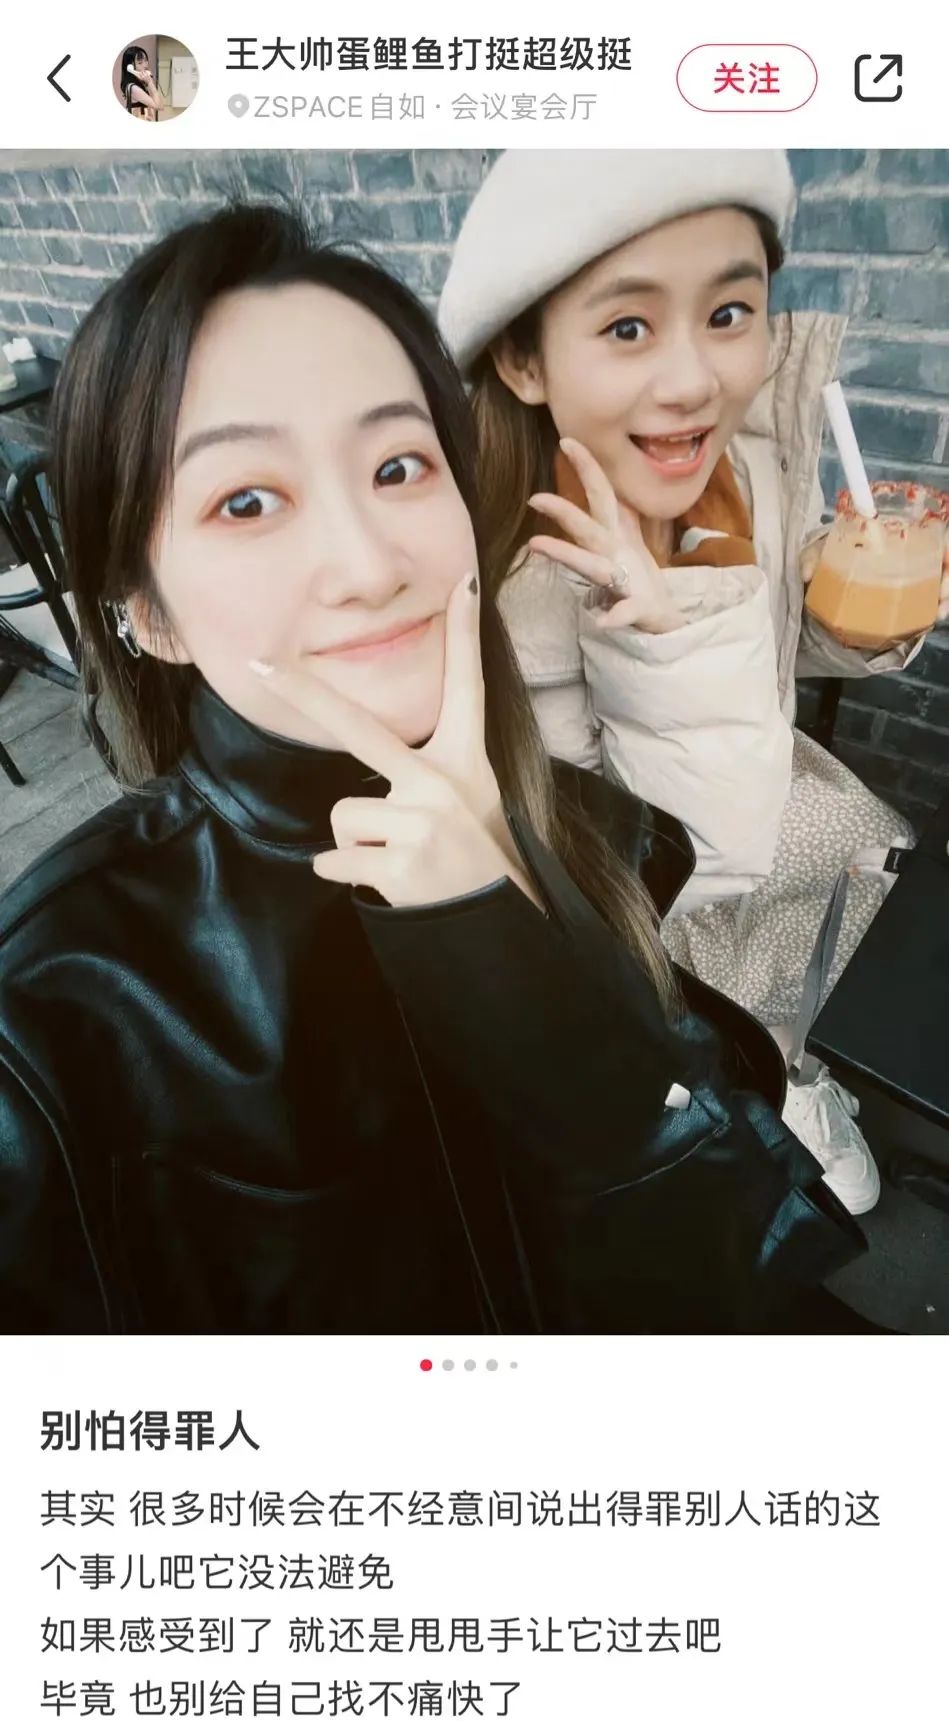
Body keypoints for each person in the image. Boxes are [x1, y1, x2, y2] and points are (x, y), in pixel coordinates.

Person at [0, 203, 868, 1338]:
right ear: (147, 612)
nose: (369, 564)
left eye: (399, 465)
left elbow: (731, 1272)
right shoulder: (57, 1007)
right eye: (246, 500)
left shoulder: (567, 818)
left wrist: (509, 947)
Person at [439, 148, 949, 1219]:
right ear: (525, 361)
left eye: (727, 313)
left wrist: (849, 615)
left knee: (864, 866)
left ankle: (783, 1057)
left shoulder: (739, 464)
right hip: (642, 896)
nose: (691, 380)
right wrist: (659, 633)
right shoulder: (516, 585)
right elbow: (663, 868)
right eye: (627, 326)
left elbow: (768, 647)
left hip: (745, 788)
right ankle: (749, 1093)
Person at [119, 45, 164, 121]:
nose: (145, 65)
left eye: (146, 60)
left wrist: (148, 83)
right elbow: (159, 106)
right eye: (140, 62)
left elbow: (158, 103)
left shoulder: (142, 84)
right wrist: (150, 83)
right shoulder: (133, 88)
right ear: (130, 68)